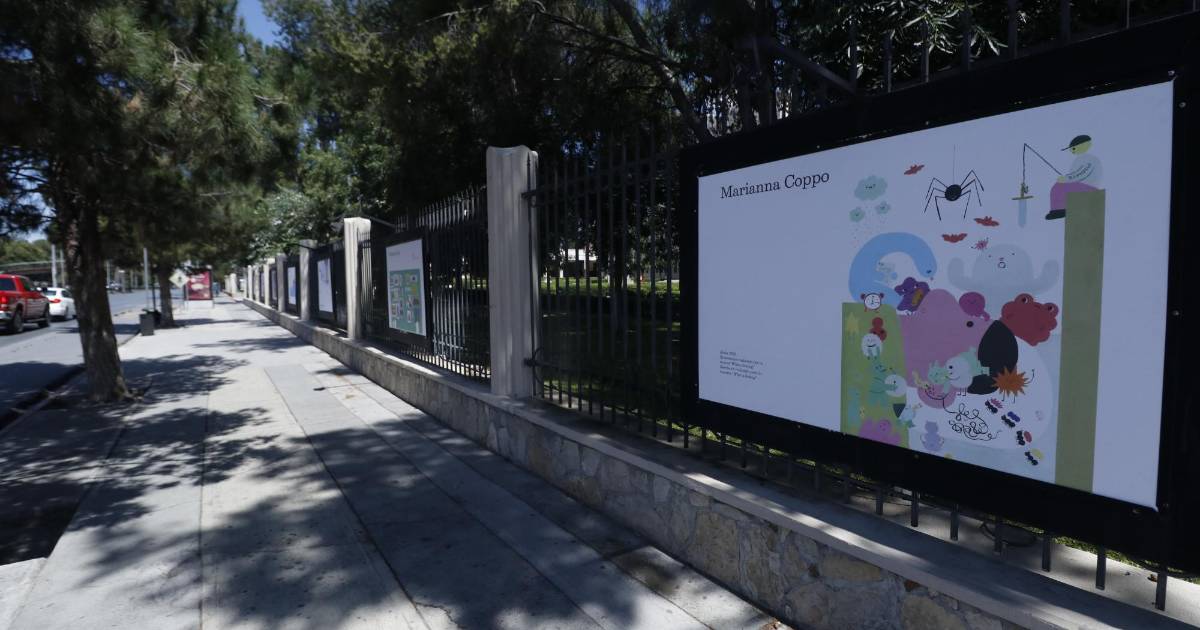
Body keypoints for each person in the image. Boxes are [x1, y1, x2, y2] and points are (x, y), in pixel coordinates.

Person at [1047, 134, 1102, 220]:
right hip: (1080, 185)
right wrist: (1067, 178)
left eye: (1073, 148)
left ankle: (1060, 210)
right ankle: (1059, 210)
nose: (1072, 151)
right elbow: (1075, 173)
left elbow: (1083, 172)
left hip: (1089, 187)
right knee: (1058, 187)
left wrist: (1066, 179)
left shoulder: (1090, 159)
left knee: (1059, 188)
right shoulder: (1079, 159)